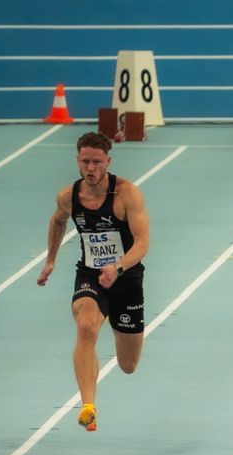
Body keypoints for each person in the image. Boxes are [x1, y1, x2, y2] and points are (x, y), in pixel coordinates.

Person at [37, 132, 150, 432]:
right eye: (85, 161)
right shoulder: (69, 197)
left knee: (128, 365)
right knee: (86, 326)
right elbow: (57, 220)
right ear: (77, 161)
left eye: (97, 162)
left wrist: (118, 266)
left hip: (126, 278)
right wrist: (51, 260)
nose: (91, 168)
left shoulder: (126, 194)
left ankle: (116, 322)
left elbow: (142, 243)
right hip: (90, 275)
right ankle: (88, 405)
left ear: (108, 162)